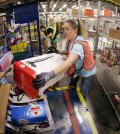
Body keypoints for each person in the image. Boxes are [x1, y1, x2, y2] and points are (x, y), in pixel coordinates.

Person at [33, 18, 96, 99]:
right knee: (72, 84)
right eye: (63, 28)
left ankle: (83, 104)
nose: (64, 31)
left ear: (75, 30)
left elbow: (69, 62)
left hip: (87, 70)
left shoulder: (79, 45)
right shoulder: (69, 40)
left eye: (67, 29)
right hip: (77, 69)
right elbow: (67, 52)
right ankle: (71, 98)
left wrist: (50, 75)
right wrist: (57, 51)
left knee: (84, 89)